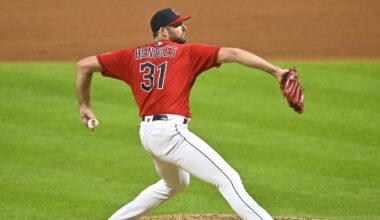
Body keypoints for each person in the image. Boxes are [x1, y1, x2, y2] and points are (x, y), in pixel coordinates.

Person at [76, 8, 288, 220]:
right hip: (170, 134)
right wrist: (276, 71)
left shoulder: (131, 56)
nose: (184, 27)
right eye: (178, 25)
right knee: (228, 179)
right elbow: (234, 54)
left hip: (148, 135)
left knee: (174, 184)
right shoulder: (186, 53)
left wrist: (85, 106)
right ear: (163, 31)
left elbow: (83, 65)